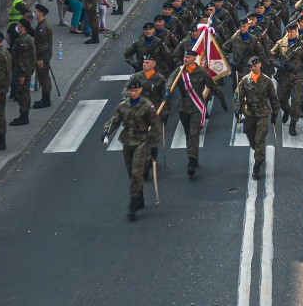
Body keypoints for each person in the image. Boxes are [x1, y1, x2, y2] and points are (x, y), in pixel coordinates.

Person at [102, 77, 161, 220]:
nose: (133, 93)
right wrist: (106, 131)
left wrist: (153, 146)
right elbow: (115, 120)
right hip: (127, 140)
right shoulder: (123, 105)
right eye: (131, 91)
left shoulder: (147, 106)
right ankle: (139, 197)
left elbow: (155, 126)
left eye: (135, 91)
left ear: (140, 90)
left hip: (142, 140)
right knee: (131, 172)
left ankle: (133, 204)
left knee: (136, 172)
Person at [166, 49, 227, 177]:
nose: (185, 59)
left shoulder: (201, 72)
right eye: (184, 57)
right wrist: (167, 91)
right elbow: (170, 81)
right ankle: (193, 154)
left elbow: (212, 85)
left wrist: (222, 99)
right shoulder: (180, 71)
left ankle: (192, 161)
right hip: (183, 107)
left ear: (194, 58)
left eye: (188, 57)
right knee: (189, 135)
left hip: (196, 107)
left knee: (194, 133)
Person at [234, 56, 281, 179]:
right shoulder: (245, 80)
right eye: (251, 66)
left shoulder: (267, 81)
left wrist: (275, 112)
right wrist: (238, 110)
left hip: (262, 113)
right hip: (249, 114)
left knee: (260, 140)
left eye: (255, 65)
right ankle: (259, 153)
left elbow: (273, 98)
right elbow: (238, 95)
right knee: (252, 139)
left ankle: (257, 165)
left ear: (259, 65)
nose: (253, 68)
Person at [270, 23, 303, 137]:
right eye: (288, 31)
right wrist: (279, 65)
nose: (289, 33)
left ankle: (293, 124)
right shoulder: (280, 43)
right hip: (284, 76)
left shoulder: (302, 45)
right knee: (281, 99)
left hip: (297, 77)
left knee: (296, 101)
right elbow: (271, 56)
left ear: (296, 31)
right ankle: (286, 111)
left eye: (292, 31)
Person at [9, 19, 36, 126]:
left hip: (23, 73)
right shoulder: (28, 38)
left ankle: (24, 116)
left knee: (23, 94)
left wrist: (22, 74)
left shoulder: (23, 41)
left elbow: (23, 59)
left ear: (23, 27)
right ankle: (23, 115)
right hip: (26, 71)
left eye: (19, 26)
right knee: (24, 93)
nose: (17, 27)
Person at [32, 4, 53, 109]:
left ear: (40, 13)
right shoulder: (41, 25)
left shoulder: (42, 27)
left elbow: (43, 44)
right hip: (44, 56)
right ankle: (44, 98)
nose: (34, 13)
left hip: (43, 57)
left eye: (36, 11)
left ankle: (46, 99)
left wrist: (40, 58)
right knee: (43, 77)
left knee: (43, 77)